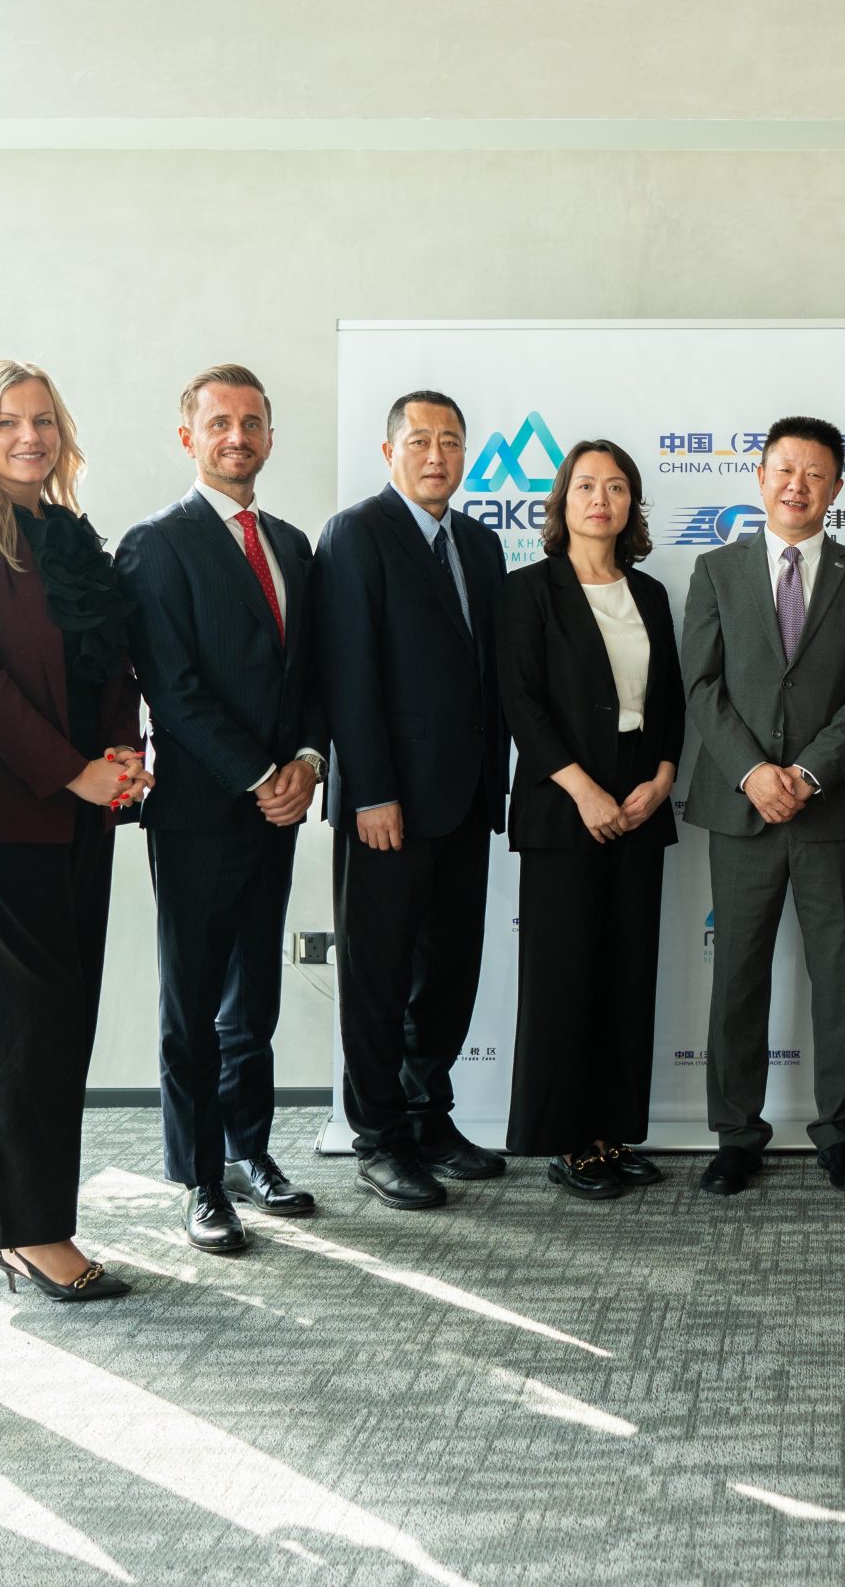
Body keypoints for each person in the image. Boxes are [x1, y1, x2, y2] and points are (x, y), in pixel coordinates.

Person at [0, 359, 145, 1302]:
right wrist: (74, 770)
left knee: (59, 1025)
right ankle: (25, 1232)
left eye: (43, 419)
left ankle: (38, 1219)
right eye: (8, 420)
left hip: (80, 808)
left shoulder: (65, 528)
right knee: (14, 1029)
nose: (30, 435)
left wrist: (122, 752)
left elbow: (110, 652)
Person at [116, 364, 326, 1254]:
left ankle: (252, 1151)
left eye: (252, 422)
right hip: (203, 810)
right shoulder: (154, 545)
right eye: (219, 423)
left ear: (270, 436)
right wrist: (259, 774)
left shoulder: (291, 542)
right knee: (193, 999)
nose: (237, 436)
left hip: (279, 807)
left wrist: (309, 762)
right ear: (188, 437)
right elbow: (173, 685)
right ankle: (201, 1177)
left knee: (256, 998)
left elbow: (313, 669)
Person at [682, 416, 845, 1195]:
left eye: (814, 473)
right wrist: (752, 773)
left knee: (839, 975)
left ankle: (840, 1133)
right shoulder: (714, 570)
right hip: (741, 809)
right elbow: (701, 685)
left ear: (837, 487)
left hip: (831, 809)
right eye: (783, 469)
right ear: (761, 476)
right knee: (737, 975)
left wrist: (806, 772)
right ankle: (737, 1134)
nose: (796, 485)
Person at [314, 391, 510, 1210]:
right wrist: (371, 790)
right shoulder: (357, 532)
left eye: (452, 442)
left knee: (450, 970)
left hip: (465, 797)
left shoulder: (480, 541)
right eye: (421, 440)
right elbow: (348, 673)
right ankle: (380, 1136)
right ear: (389, 449)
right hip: (388, 803)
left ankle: (431, 1115)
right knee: (379, 973)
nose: (438, 455)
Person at [497, 440, 684, 1200]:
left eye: (615, 486)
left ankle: (613, 1131)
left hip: (641, 798)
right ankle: (567, 1139)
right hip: (561, 803)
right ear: (561, 500)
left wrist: (662, 779)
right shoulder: (527, 591)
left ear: (632, 504)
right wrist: (584, 790)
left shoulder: (653, 594)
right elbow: (523, 705)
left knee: (626, 974)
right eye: (584, 485)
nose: (599, 498)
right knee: (563, 975)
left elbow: (670, 702)